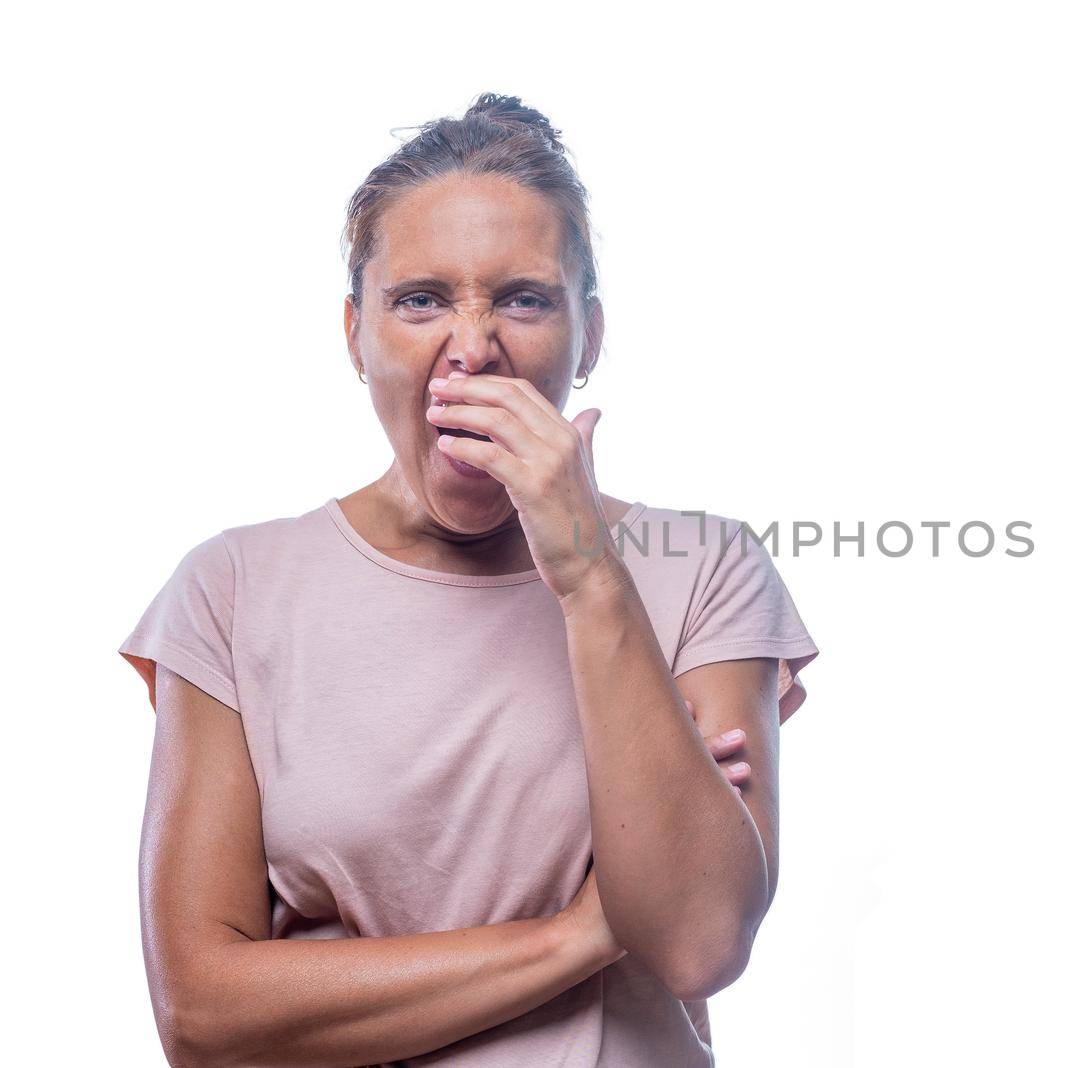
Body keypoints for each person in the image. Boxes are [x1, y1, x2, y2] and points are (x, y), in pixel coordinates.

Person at [118, 92, 819, 1067]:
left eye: (524, 297)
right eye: (422, 299)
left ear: (591, 332)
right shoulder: (231, 589)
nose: (475, 345)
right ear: (357, 333)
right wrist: (584, 931)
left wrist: (585, 569)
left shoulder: (704, 566)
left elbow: (699, 940)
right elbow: (203, 1016)